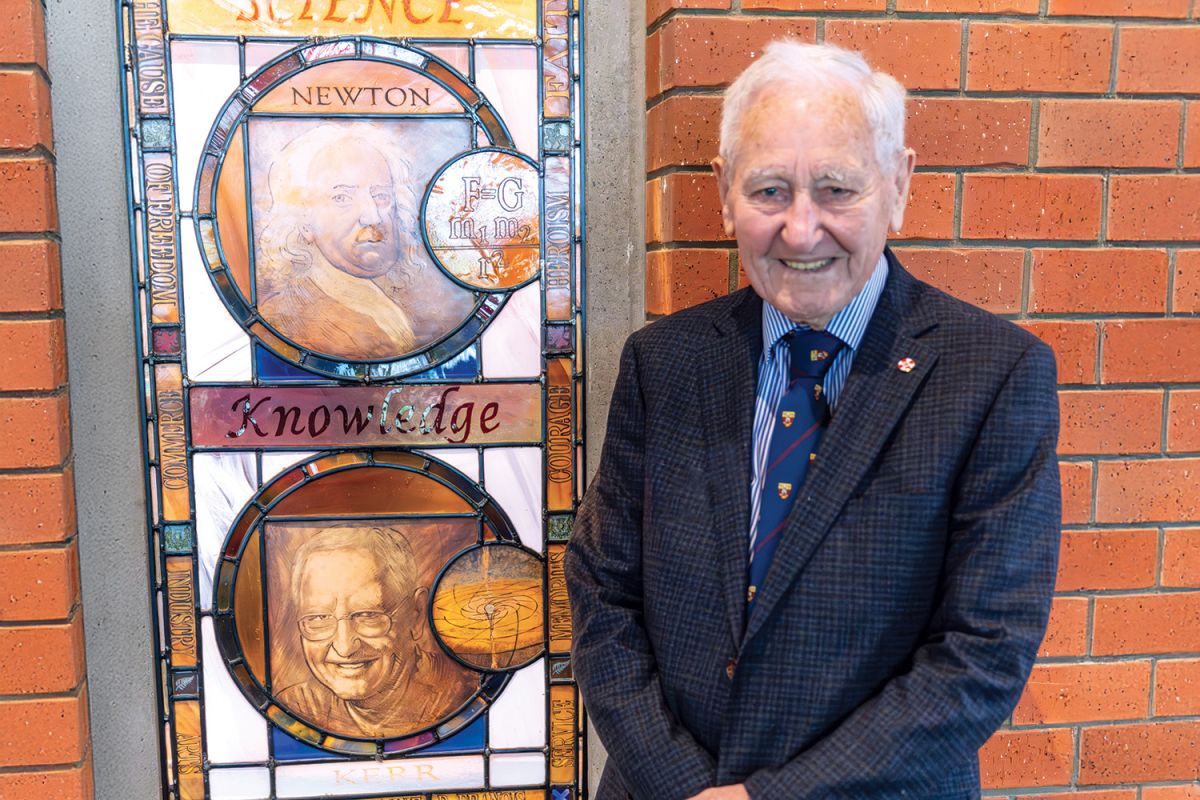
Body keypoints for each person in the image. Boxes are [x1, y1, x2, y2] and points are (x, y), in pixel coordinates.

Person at [565, 41, 1060, 799]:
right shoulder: (662, 362)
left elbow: (982, 654)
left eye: (836, 189)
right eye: (769, 191)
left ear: (898, 185)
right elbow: (603, 588)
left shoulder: (992, 375)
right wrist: (679, 784)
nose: (801, 230)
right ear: (724, 191)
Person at [254, 123, 476, 360]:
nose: (373, 216)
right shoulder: (284, 321)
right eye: (342, 198)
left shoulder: (418, 305)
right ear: (305, 219)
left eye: (381, 196)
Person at [274, 525, 477, 739]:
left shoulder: (462, 698)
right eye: (319, 618)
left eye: (368, 615)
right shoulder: (296, 710)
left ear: (416, 616)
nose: (345, 647)